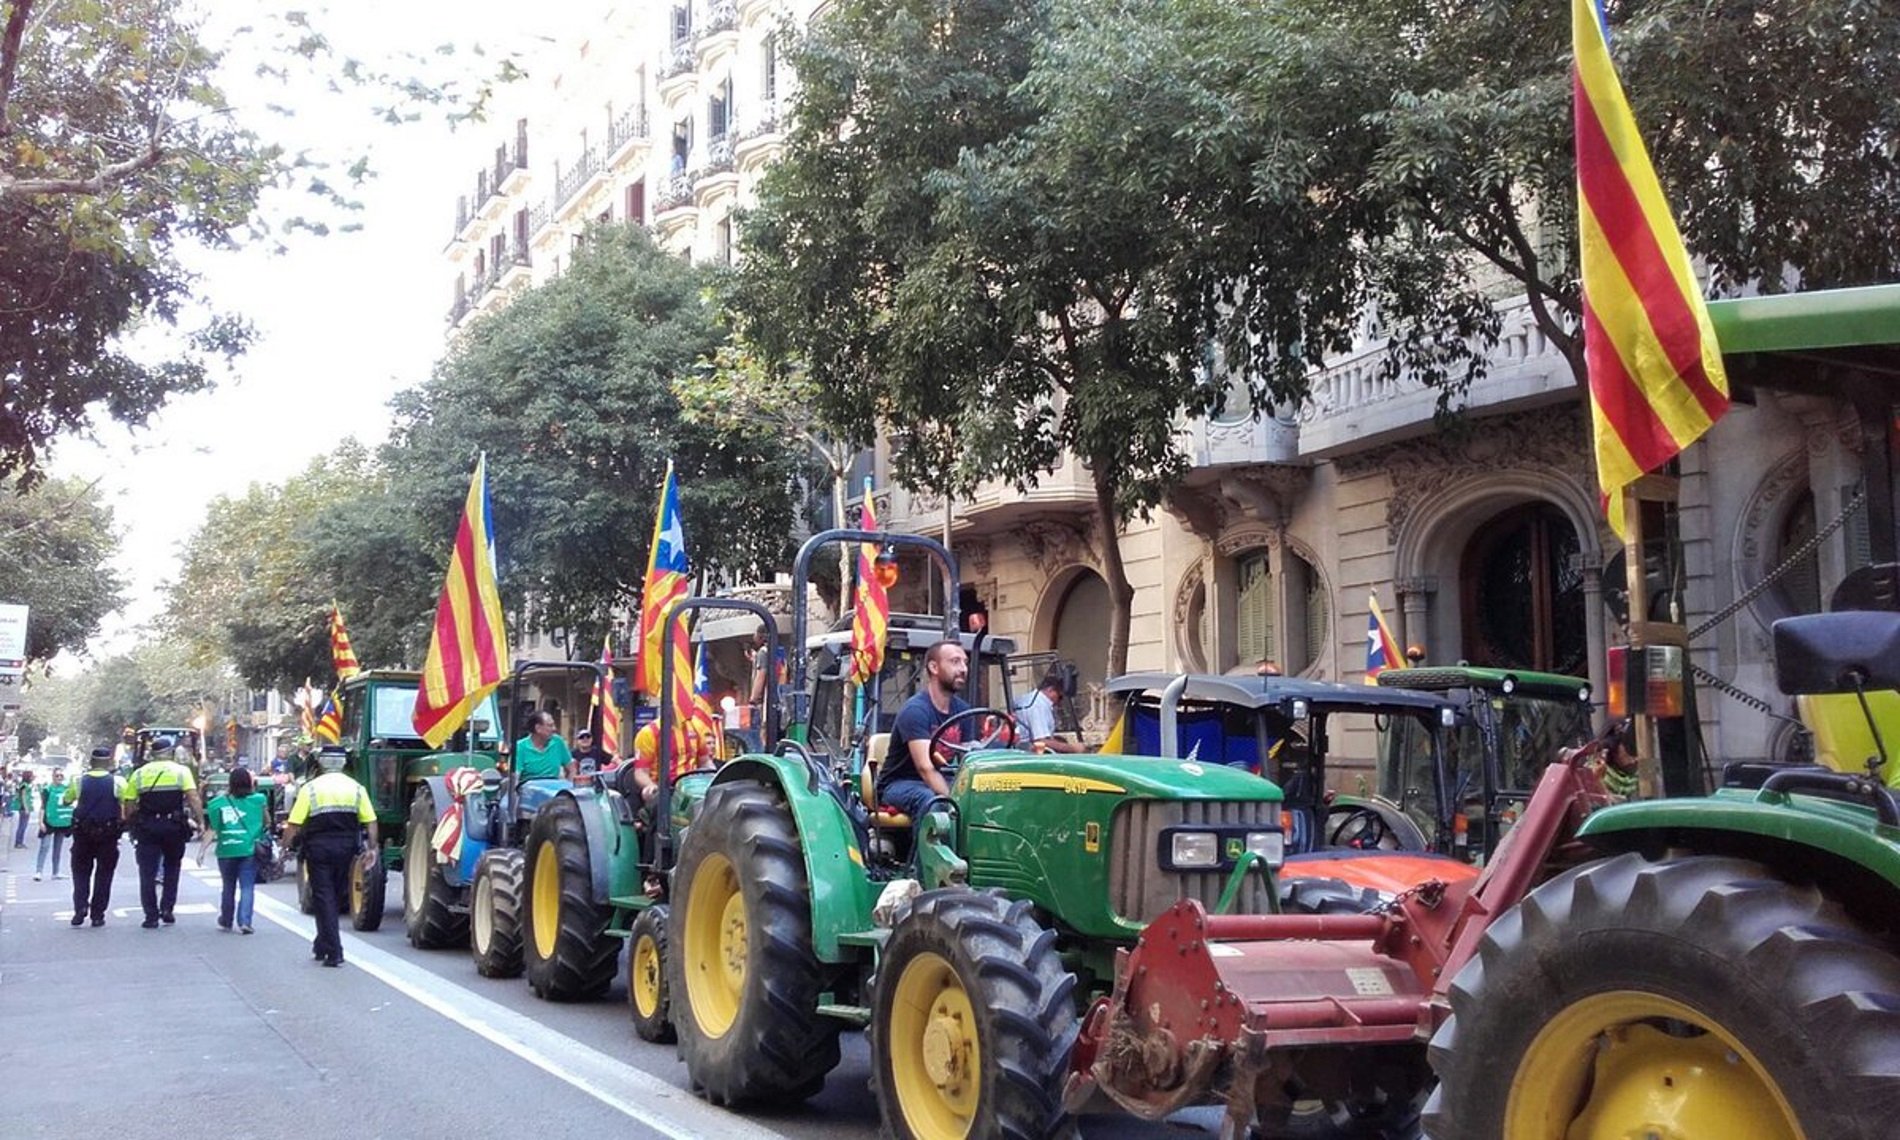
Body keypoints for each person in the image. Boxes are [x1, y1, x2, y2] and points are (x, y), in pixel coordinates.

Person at [280, 746, 377, 967]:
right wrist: (372, 849)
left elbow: (294, 824)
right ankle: (322, 944)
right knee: (334, 895)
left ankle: (334, 951)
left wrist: (285, 847)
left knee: (324, 898)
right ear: (343, 763)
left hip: (318, 848)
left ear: (321, 763)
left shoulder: (310, 788)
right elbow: (370, 821)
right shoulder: (357, 789)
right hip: (347, 849)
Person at [876, 640, 976, 819]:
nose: (963, 669)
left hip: (943, 777)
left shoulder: (964, 711)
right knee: (932, 801)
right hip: (900, 783)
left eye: (965, 662)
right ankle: (924, 848)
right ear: (934, 667)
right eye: (955, 661)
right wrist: (955, 801)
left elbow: (968, 759)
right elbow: (925, 768)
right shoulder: (915, 710)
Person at [120, 736, 206, 928]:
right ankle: (167, 908)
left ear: (152, 755)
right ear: (170, 753)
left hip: (148, 828)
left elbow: (130, 803)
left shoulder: (139, 774)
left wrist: (132, 822)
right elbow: (193, 797)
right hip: (173, 827)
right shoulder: (181, 772)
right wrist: (201, 821)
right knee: (172, 868)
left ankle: (150, 915)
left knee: (147, 872)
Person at [200, 766, 268, 933]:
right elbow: (267, 821)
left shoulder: (216, 803)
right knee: (247, 887)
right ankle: (245, 922)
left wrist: (202, 851)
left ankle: (226, 920)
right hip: (249, 849)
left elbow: (213, 829)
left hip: (226, 850)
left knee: (228, 886)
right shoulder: (259, 800)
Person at [65, 748, 127, 927]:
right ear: (108, 763)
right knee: (104, 873)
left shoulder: (78, 781)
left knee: (81, 872)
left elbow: (67, 800)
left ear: (91, 762)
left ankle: (80, 907)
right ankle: (98, 914)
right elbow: (127, 801)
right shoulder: (118, 781)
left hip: (83, 834)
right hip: (108, 835)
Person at [1013, 671, 1085, 754]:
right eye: (1060, 697)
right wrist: (1073, 748)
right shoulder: (1039, 705)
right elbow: (1041, 741)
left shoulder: (1027, 698)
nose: (1059, 702)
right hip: (1027, 751)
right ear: (1050, 690)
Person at [34, 768, 74, 879]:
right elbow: (43, 806)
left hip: (61, 821)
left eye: (61, 776)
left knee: (58, 848)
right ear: (53, 776)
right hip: (49, 821)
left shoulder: (66, 789)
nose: (59, 778)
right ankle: (39, 871)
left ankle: (55, 872)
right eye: (57, 775)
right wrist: (40, 822)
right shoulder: (47, 789)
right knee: (44, 846)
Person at [511, 710, 573, 780]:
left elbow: (571, 769)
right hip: (530, 788)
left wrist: (569, 787)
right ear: (538, 728)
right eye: (550, 725)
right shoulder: (520, 747)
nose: (554, 729)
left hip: (554, 788)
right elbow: (515, 777)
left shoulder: (558, 742)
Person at [12, 769, 33, 847]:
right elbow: (23, 796)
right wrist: (26, 808)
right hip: (24, 808)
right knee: (22, 826)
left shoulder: (22, 784)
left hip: (23, 807)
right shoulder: (24, 785)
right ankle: (18, 842)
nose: (32, 778)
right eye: (31, 776)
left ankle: (19, 842)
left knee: (22, 825)